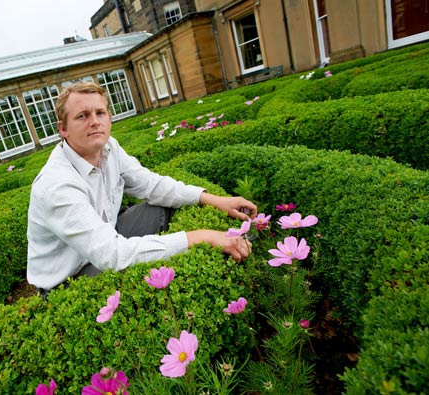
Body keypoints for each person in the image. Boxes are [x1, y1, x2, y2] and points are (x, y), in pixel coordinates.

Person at [27, 82, 257, 293]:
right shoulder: (56, 184)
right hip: (69, 277)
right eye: (82, 116)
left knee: (158, 209)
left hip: (106, 236)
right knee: (131, 267)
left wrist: (214, 199)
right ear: (63, 129)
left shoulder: (110, 147)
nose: (95, 121)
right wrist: (199, 236)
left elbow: (151, 185)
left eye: (100, 113)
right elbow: (111, 255)